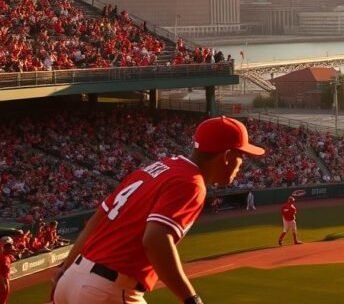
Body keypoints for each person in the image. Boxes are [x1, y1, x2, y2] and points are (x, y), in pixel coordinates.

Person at [51, 116, 265, 304]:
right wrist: (191, 299)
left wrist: (64, 271)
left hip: (73, 278)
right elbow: (155, 239)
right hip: (106, 291)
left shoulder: (161, 167)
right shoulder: (191, 182)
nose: (241, 163)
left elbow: (96, 221)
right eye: (241, 156)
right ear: (227, 156)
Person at [1, 236, 15, 304]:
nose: (11, 251)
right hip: (2, 281)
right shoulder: (1, 258)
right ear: (5, 248)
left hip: (6, 279)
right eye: (10, 249)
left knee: (4, 298)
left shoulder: (8, 257)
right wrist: (2, 283)